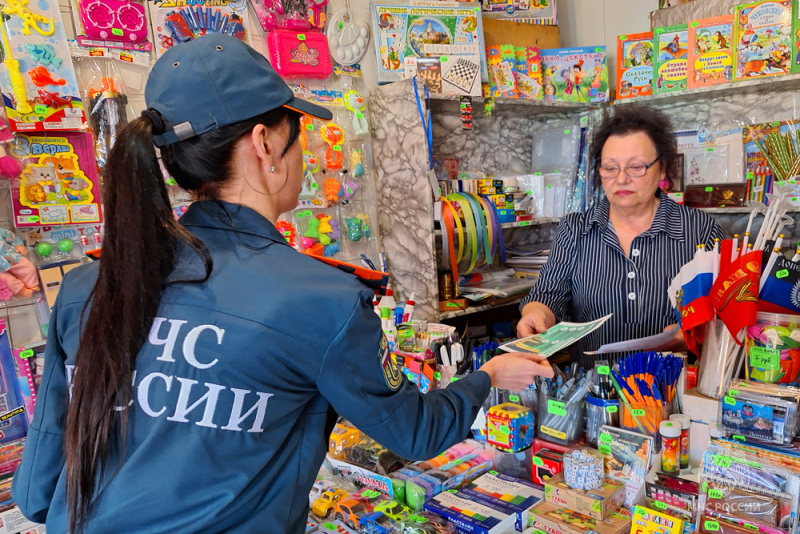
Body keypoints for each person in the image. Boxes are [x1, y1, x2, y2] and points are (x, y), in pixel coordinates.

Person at [12, 35, 554, 534]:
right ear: (265, 145)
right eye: (299, 138)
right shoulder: (321, 301)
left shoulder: (87, 287)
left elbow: (37, 493)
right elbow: (415, 433)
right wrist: (486, 377)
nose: (303, 156)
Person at [517, 105, 724, 368]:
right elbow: (549, 294)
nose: (622, 179)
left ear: (662, 170)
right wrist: (536, 315)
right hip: (593, 389)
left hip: (675, 391)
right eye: (610, 168)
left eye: (636, 167)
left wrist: (695, 334)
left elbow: (726, 310)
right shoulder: (575, 229)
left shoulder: (699, 230)